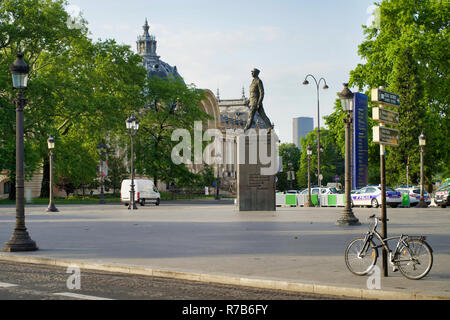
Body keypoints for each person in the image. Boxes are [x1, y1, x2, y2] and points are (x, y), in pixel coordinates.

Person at [244, 68, 273, 132]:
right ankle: (269, 127)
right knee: (263, 115)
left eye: (253, 72)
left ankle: (246, 129)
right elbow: (252, 94)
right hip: (252, 102)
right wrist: (248, 100)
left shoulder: (258, 81)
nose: (251, 73)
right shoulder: (253, 81)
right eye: (251, 72)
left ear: (256, 73)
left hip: (255, 103)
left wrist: (259, 103)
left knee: (250, 116)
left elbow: (261, 93)